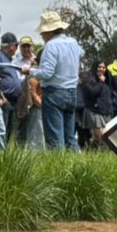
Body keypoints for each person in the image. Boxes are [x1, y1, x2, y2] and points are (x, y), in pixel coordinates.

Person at [25, 11, 83, 151]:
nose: (42, 35)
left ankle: (57, 168)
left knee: (55, 137)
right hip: (71, 91)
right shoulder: (73, 42)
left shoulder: (50, 46)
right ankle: (75, 166)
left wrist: (30, 71)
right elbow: (82, 53)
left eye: (43, 32)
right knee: (70, 136)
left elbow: (47, 73)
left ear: (49, 32)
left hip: (54, 92)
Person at [0, 32, 22, 147]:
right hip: (4, 99)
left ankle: (5, 152)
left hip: (14, 100)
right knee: (1, 128)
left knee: (10, 129)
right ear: (9, 45)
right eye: (16, 45)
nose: (16, 49)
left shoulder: (10, 59)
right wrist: (1, 97)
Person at [80, 61, 115, 147]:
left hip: (105, 111)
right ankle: (106, 153)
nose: (101, 69)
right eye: (99, 67)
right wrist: (100, 82)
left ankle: (91, 152)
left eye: (103, 67)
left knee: (97, 138)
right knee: (103, 137)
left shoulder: (107, 78)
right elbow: (92, 92)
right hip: (93, 110)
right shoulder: (88, 78)